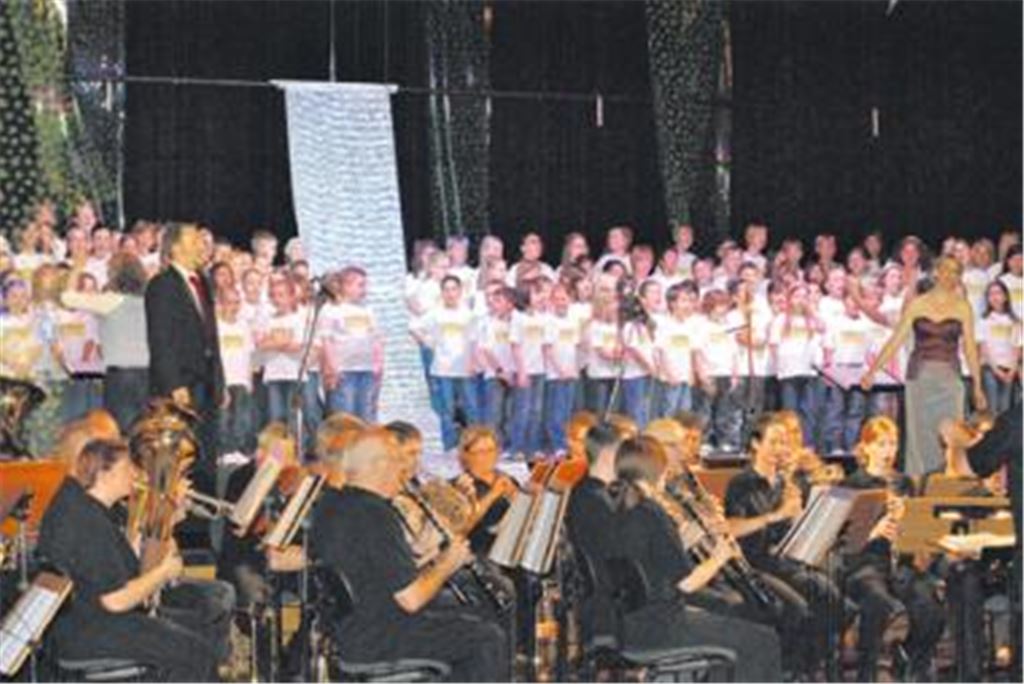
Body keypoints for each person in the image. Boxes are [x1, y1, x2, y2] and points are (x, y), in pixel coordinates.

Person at [309, 427, 509, 681]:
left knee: (471, 620)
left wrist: (428, 555)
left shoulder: (333, 505)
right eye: (398, 461)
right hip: (379, 639)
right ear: (378, 465)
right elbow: (411, 598)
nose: (404, 470)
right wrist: (447, 563)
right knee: (487, 638)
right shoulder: (375, 514)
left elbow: (378, 572)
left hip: (355, 631)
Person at [36, 439, 218, 681]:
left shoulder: (87, 507)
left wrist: (168, 519)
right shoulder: (86, 521)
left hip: (86, 624)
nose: (135, 474)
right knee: (195, 652)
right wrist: (164, 572)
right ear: (104, 471)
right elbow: (115, 601)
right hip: (90, 631)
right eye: (127, 468)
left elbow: (122, 569)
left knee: (199, 628)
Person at [608, 436, 782, 682]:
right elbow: (686, 583)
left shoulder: (618, 508)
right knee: (763, 640)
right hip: (659, 627)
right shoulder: (653, 513)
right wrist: (720, 556)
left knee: (735, 633)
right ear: (660, 471)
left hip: (628, 624)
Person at [840, 416, 945, 681]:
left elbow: (919, 528)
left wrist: (907, 523)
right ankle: (868, 671)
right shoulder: (851, 485)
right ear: (866, 447)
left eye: (893, 444)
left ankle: (911, 662)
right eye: (882, 444)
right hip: (864, 564)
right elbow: (842, 544)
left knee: (929, 603)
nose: (889, 451)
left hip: (899, 563)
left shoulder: (904, 483)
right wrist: (875, 532)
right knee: (877, 599)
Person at [863, 255, 986, 476]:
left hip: (950, 378)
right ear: (936, 272)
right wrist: (872, 372)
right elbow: (896, 340)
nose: (950, 276)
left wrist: (977, 385)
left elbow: (969, 348)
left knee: (951, 433)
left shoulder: (962, 307)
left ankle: (947, 482)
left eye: (956, 272)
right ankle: (918, 486)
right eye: (947, 270)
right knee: (919, 435)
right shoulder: (918, 304)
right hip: (920, 377)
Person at [145, 222, 225, 492]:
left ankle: (200, 526)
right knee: (178, 458)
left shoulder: (202, 282)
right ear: (176, 247)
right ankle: (175, 526)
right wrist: (174, 384)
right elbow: (161, 340)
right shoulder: (161, 285)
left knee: (205, 455)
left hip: (207, 385)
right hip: (181, 387)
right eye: (194, 240)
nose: (202, 244)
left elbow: (211, 338)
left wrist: (220, 381)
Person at [320, 266, 383, 422]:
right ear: (346, 286)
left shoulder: (367, 310)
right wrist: (332, 368)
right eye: (360, 285)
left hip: (366, 369)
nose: (364, 289)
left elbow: (376, 339)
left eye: (365, 285)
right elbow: (326, 341)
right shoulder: (331, 310)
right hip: (344, 371)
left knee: (366, 416)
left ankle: (367, 446)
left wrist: (379, 364)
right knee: (345, 419)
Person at [977, 280, 1022, 412]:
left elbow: (1017, 347)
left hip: (1009, 369)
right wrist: (996, 370)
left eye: (998, 293)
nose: (995, 297)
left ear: (1005, 296)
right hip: (990, 368)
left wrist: (1012, 370)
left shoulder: (1014, 321)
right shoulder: (984, 320)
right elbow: (983, 349)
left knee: (1005, 409)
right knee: (993, 407)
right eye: (991, 294)